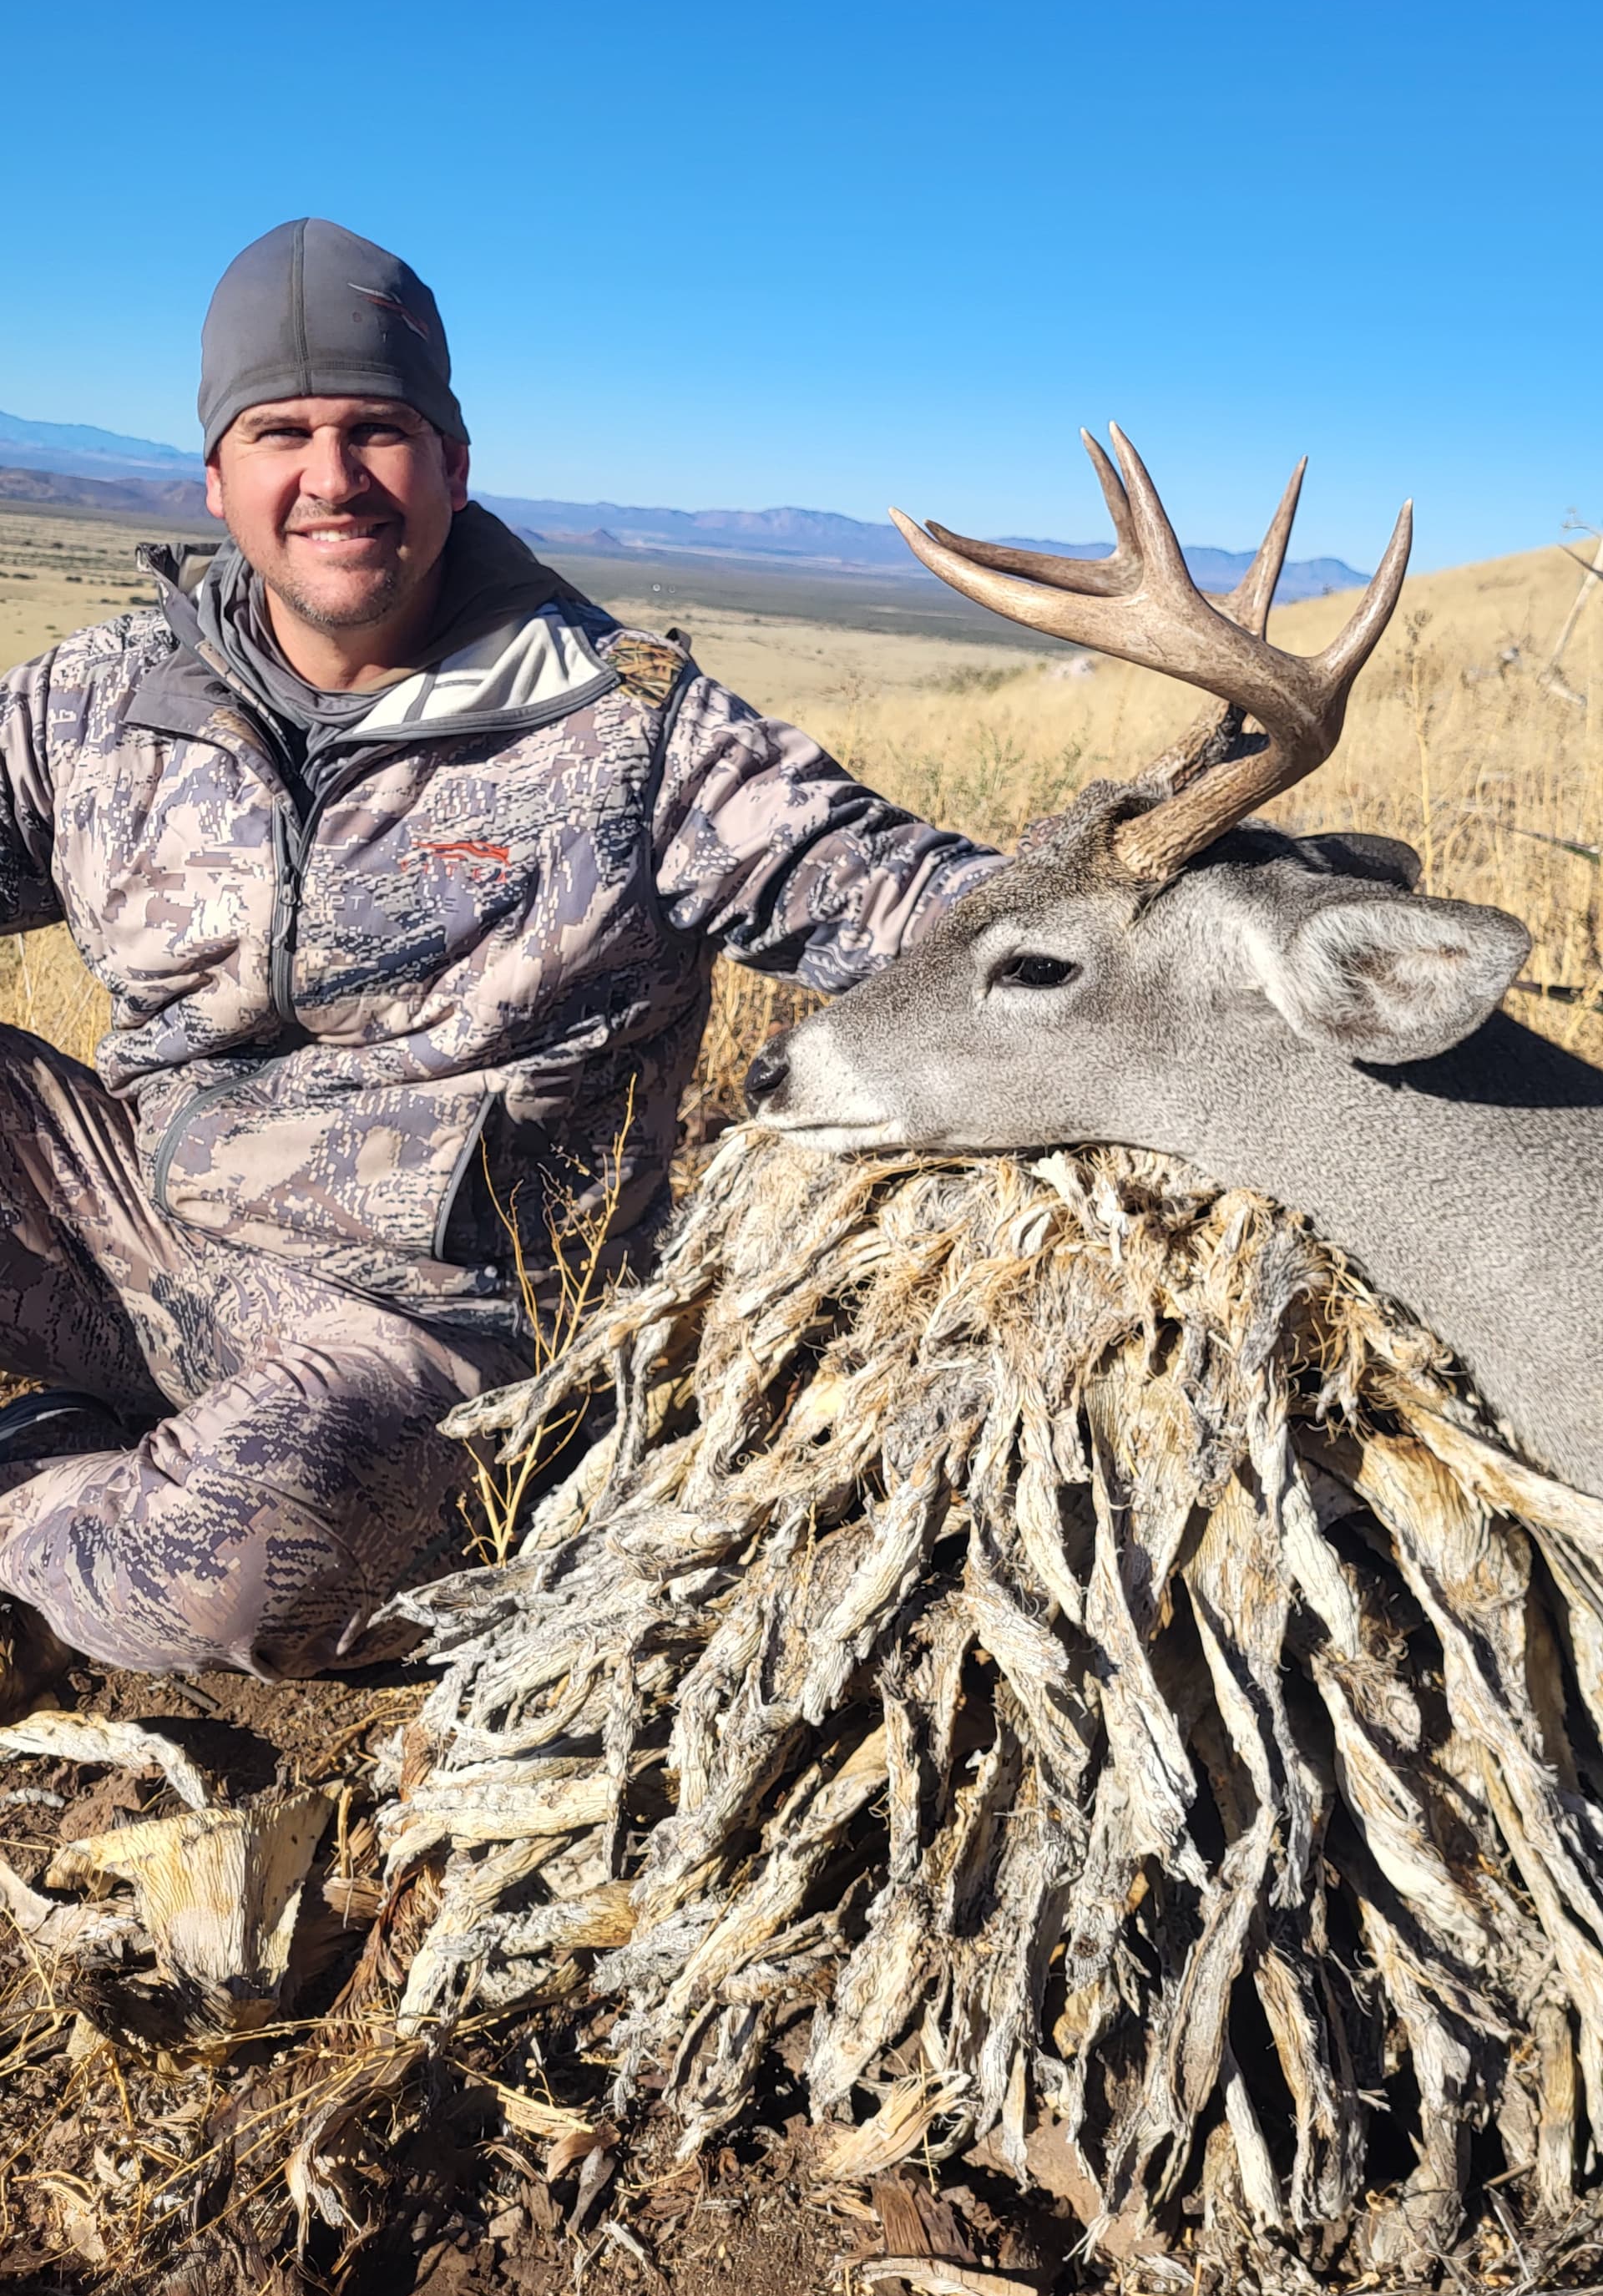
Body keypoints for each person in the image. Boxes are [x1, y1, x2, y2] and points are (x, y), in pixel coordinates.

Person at [0, 219, 998, 1687]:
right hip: (131, 1217)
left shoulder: (637, 730)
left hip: (431, 1336)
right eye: (280, 433)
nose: (331, 478)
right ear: (215, 477)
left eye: (376, 431)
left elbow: (925, 905)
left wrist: (1200, 898)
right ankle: (111, 1472)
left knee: (230, 1567)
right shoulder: (97, 700)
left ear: (453, 463)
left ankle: (48, 1507)